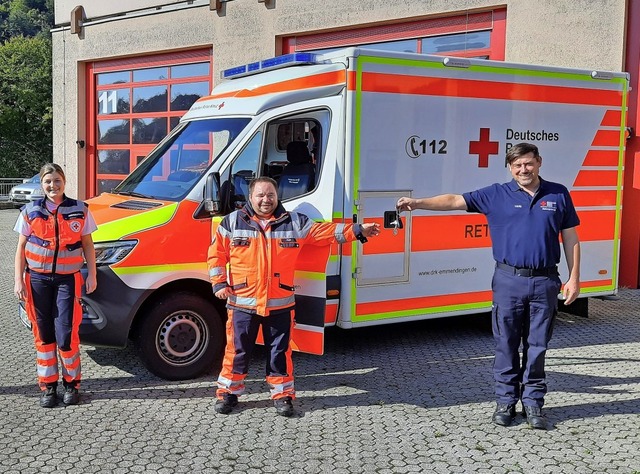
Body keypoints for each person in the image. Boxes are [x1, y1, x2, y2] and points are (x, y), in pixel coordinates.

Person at [397, 142, 580, 430]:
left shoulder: (558, 194)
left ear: (539, 162)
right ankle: (505, 401)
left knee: (537, 346)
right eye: (517, 165)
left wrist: (574, 278)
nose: (523, 169)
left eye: (528, 163)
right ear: (510, 167)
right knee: (505, 344)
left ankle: (533, 404)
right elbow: (454, 200)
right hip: (508, 281)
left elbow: (570, 238)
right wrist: (418, 203)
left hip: (546, 281)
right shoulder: (496, 194)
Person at [208, 177, 380, 416]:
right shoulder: (232, 222)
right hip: (241, 303)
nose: (266, 200)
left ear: (277, 197)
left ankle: (282, 395)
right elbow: (216, 255)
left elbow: (326, 233)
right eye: (260, 195)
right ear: (250, 196)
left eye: (270, 195)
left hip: (280, 304)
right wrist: (218, 283)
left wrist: (357, 230)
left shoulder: (295, 222)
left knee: (279, 353)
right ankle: (228, 393)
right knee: (237, 351)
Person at [14, 163, 97, 408]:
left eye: (57, 180)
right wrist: (18, 280)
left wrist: (92, 275)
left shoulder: (79, 209)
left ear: (64, 181)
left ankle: (72, 385)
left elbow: (88, 245)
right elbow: (20, 248)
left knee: (66, 334)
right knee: (43, 334)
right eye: (48, 181)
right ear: (42, 184)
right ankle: (48, 387)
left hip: (67, 280)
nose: (53, 185)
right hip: (37, 280)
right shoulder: (30, 211)